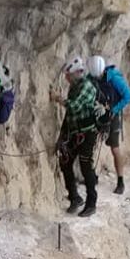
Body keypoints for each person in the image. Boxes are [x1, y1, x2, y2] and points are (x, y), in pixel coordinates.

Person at [56, 57, 101, 217]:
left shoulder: (87, 87)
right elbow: (69, 115)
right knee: (66, 162)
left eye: (68, 75)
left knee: (85, 166)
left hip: (88, 133)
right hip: (75, 132)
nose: (67, 79)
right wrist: (62, 135)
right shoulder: (74, 87)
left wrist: (59, 99)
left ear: (76, 73)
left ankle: (91, 203)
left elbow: (74, 106)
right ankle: (75, 197)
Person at [88, 54, 130, 194]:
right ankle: (92, 174)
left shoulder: (114, 78)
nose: (97, 78)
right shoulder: (92, 77)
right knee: (91, 144)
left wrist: (113, 109)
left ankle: (120, 181)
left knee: (114, 148)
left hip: (112, 115)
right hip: (98, 112)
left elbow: (128, 96)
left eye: (98, 76)